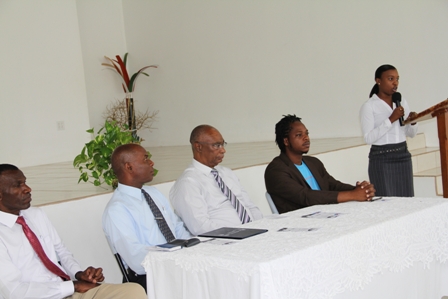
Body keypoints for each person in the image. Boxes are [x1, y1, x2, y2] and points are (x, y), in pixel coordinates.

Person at [0, 164, 146, 299]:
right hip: (42, 295)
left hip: (68, 290)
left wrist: (79, 274)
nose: (27, 188)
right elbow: (16, 291)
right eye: (18, 185)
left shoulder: (36, 215)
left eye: (25, 182)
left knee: (133, 291)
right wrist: (73, 285)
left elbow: (61, 252)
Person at [102, 144, 192, 292]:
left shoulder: (153, 193)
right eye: (145, 159)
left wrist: (192, 249)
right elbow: (137, 260)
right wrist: (173, 256)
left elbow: (177, 228)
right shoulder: (117, 210)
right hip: (150, 276)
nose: (151, 163)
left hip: (176, 263)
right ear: (129, 167)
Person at [264, 115, 376, 213]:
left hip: (328, 214)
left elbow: (333, 185)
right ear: (286, 141)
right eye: (299, 135)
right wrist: (352, 195)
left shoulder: (313, 162)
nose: (306, 138)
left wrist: (360, 190)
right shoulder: (276, 170)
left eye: (306, 134)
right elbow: (306, 197)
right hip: (302, 223)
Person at [170, 125, 263, 236]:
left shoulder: (227, 173)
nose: (223, 150)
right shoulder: (187, 183)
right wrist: (239, 234)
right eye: (217, 145)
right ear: (198, 147)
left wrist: (261, 227)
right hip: (226, 240)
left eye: (223, 144)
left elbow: (249, 206)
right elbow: (201, 227)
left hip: (254, 231)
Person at [360, 64, 418, 197]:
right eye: (390, 79)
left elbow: (411, 133)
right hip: (381, 158)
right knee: (387, 201)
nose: (395, 83)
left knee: (407, 200)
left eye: (397, 79)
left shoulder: (401, 101)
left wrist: (413, 122)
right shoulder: (369, 106)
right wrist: (391, 119)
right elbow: (368, 138)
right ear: (378, 81)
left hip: (403, 155)